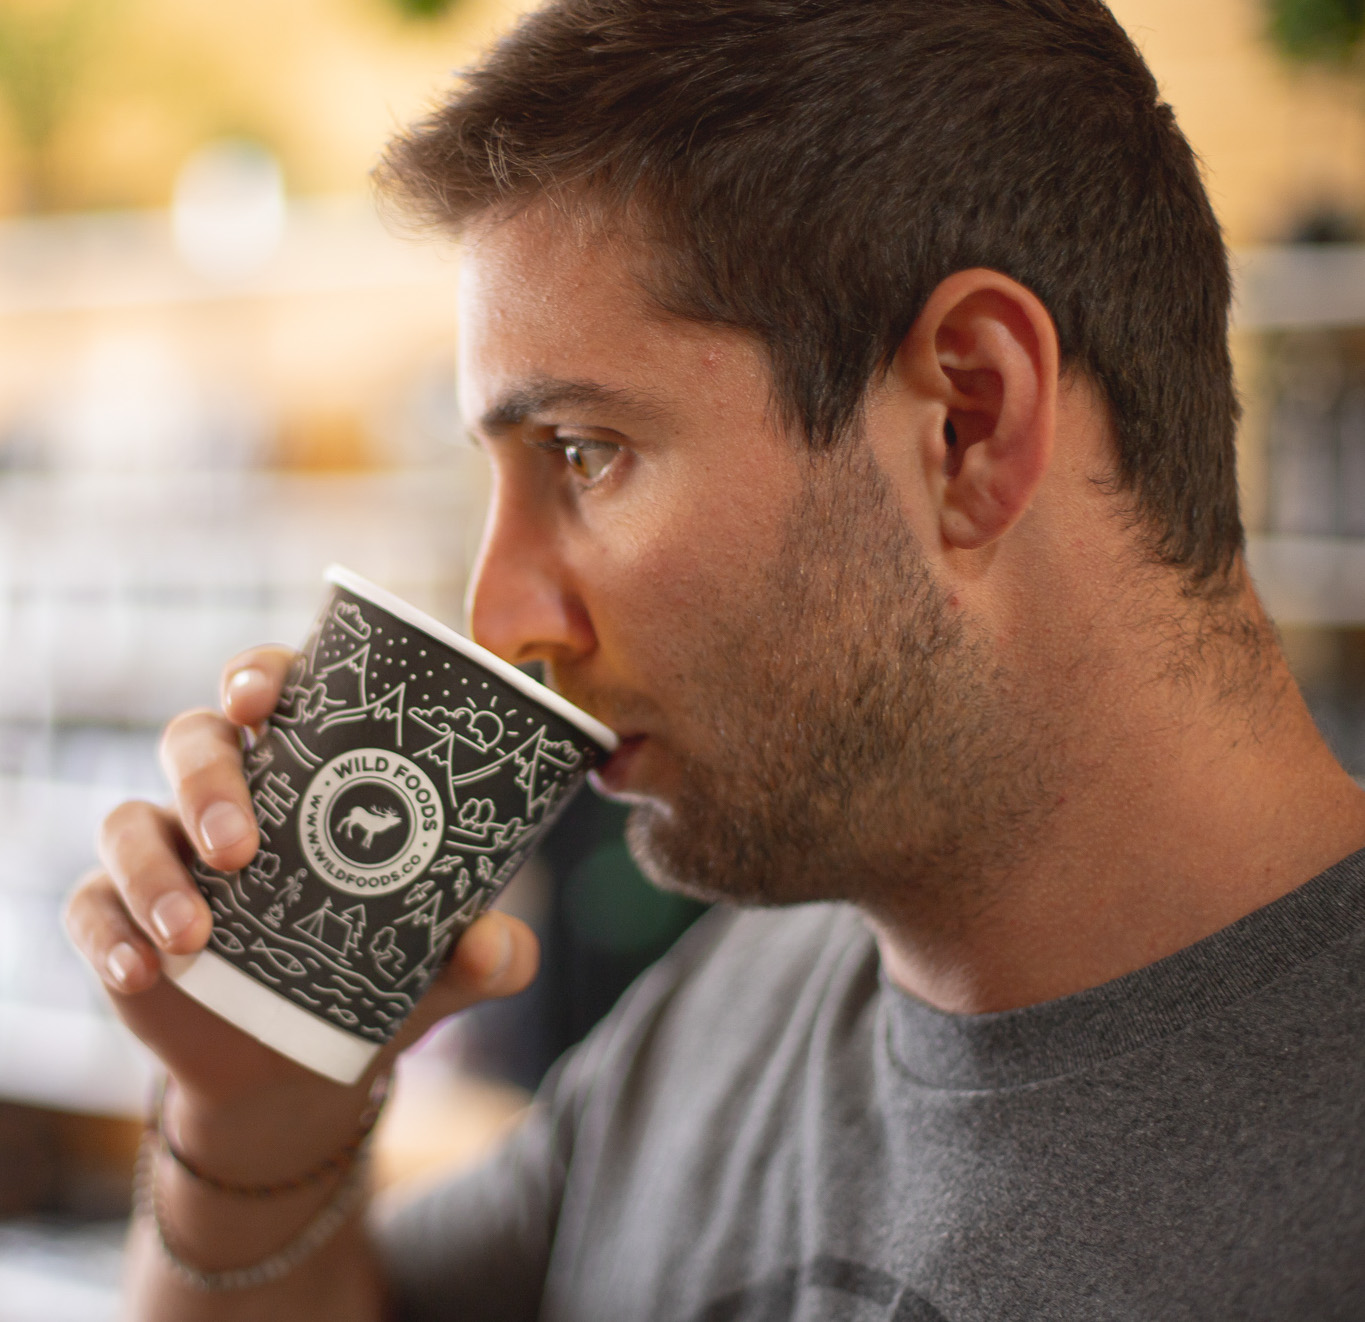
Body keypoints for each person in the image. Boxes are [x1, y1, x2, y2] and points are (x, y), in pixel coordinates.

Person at [65, 0, 1365, 1317]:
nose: (503, 614)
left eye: (583, 451)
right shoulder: (727, 1011)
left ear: (968, 422)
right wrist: (255, 1110)